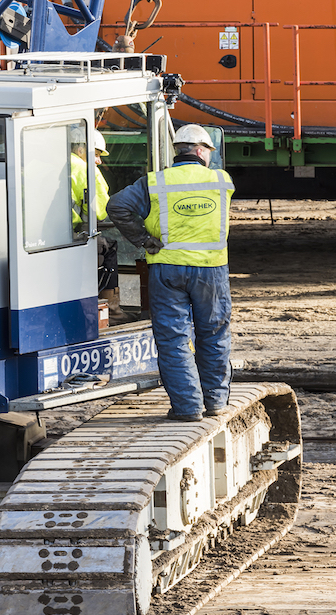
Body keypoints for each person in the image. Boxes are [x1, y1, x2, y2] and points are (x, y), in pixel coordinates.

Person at [106, 124, 235, 422]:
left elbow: (117, 206)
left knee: (173, 339)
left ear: (178, 150)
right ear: (201, 150)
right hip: (211, 271)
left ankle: (188, 408)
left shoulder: (154, 182)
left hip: (166, 268)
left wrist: (142, 239)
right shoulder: (222, 181)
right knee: (213, 335)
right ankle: (215, 401)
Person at [70, 128, 132, 323]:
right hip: (70, 238)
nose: (99, 161)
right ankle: (112, 311)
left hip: (40, 238)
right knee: (109, 247)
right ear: (81, 150)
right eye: (96, 155)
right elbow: (101, 212)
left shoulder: (46, 163)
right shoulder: (84, 170)